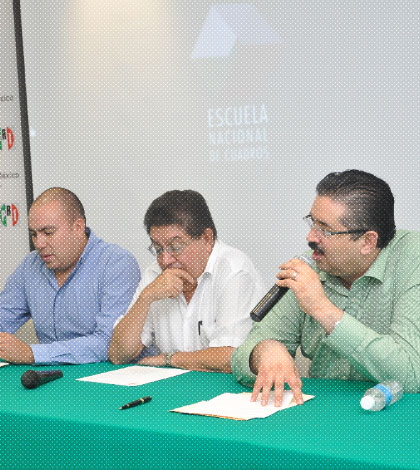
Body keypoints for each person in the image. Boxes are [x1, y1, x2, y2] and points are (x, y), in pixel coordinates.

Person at [232, 170, 420, 406]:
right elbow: (241, 357)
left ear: (368, 242)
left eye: (325, 230)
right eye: (312, 223)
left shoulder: (413, 260)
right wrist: (263, 351)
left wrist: (323, 309)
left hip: (398, 417)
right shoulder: (311, 266)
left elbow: (411, 376)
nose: (311, 237)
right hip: (323, 412)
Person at [109, 190, 265, 372]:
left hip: (227, 385)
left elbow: (230, 358)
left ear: (207, 239)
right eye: (158, 249)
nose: (165, 260)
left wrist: (169, 359)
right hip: (176, 385)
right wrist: (145, 298)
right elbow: (118, 355)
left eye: (175, 247)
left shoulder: (234, 270)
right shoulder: (154, 273)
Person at [0, 187, 140, 364]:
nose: (39, 243)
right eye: (34, 234)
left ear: (78, 227)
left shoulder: (116, 263)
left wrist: (32, 353)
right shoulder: (31, 265)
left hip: (110, 376)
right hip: (50, 376)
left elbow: (110, 343)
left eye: (48, 233)